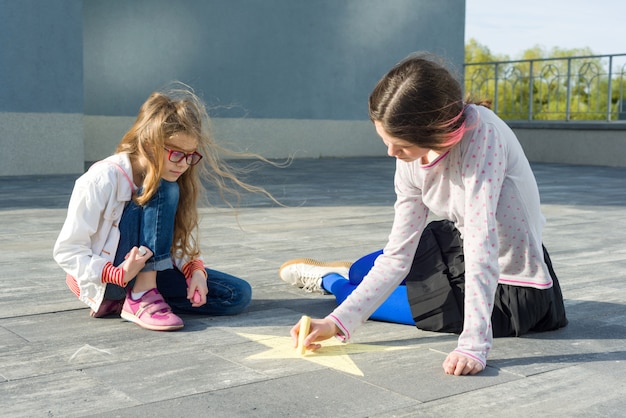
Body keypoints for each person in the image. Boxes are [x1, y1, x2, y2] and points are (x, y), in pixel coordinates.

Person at [279, 53, 568, 375]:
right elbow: (397, 255)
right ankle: (350, 277)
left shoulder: (483, 136)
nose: (392, 154)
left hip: (511, 282)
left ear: (434, 132)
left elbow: (482, 245)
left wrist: (473, 345)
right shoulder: (410, 158)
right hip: (458, 245)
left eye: (400, 145)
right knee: (364, 270)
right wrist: (337, 321)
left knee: (368, 299)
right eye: (387, 141)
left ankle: (330, 281)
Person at [54, 84, 276, 331]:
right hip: (112, 277)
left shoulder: (175, 177)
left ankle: (141, 297)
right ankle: (140, 295)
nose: (183, 164)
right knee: (163, 188)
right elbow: (67, 250)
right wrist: (115, 275)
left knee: (236, 294)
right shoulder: (101, 179)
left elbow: (170, 238)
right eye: (176, 153)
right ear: (148, 144)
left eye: (191, 155)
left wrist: (195, 271)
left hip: (144, 270)